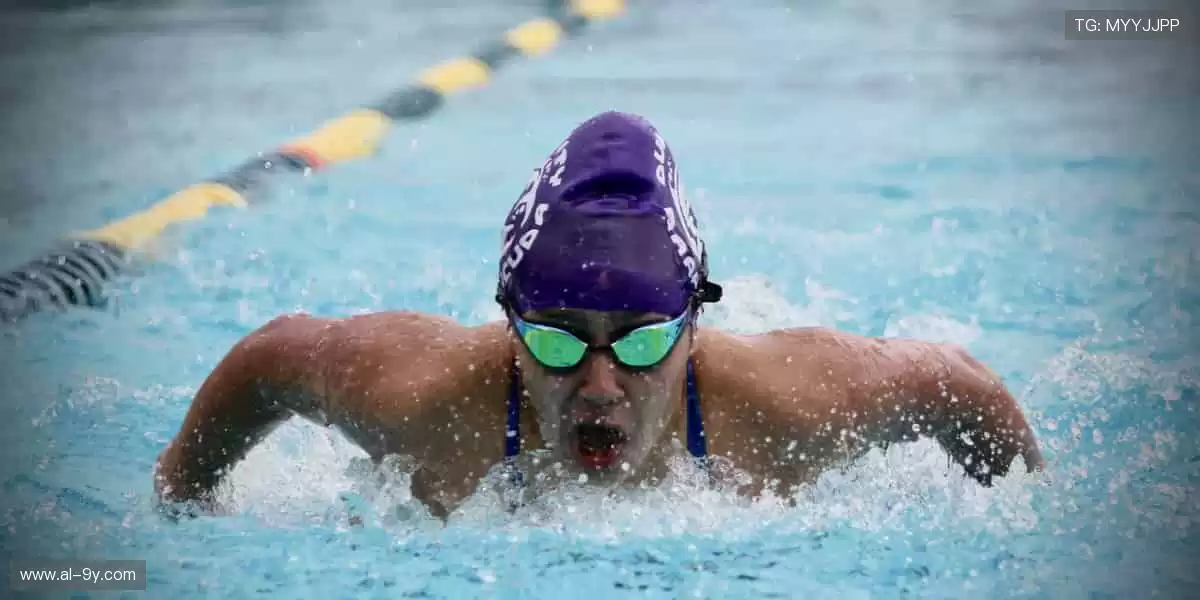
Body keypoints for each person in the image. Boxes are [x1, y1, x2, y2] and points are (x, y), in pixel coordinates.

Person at [153, 111, 1044, 519]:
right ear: (508, 324)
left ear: (692, 326)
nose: (599, 385)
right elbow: (270, 357)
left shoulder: (789, 405)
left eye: (644, 342)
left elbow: (949, 382)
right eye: (556, 340)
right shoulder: (421, 400)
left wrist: (1028, 516)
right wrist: (183, 503)